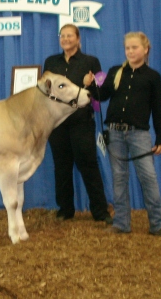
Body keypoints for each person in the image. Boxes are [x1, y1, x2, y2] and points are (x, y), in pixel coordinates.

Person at [84, 31, 161, 237]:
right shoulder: (116, 71)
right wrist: (91, 85)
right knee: (119, 178)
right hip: (114, 132)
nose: (130, 51)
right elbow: (102, 96)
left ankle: (158, 224)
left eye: (135, 47)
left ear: (145, 49)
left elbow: (158, 109)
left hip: (138, 134)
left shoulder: (153, 77)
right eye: (127, 48)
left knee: (148, 177)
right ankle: (121, 223)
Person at [43, 24, 112, 225]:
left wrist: (90, 84)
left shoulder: (90, 61)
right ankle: (65, 210)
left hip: (81, 122)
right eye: (62, 36)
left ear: (78, 38)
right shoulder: (51, 62)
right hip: (57, 124)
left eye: (69, 35)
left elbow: (100, 96)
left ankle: (100, 211)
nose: (65, 39)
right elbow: (45, 92)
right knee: (61, 167)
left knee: (88, 165)